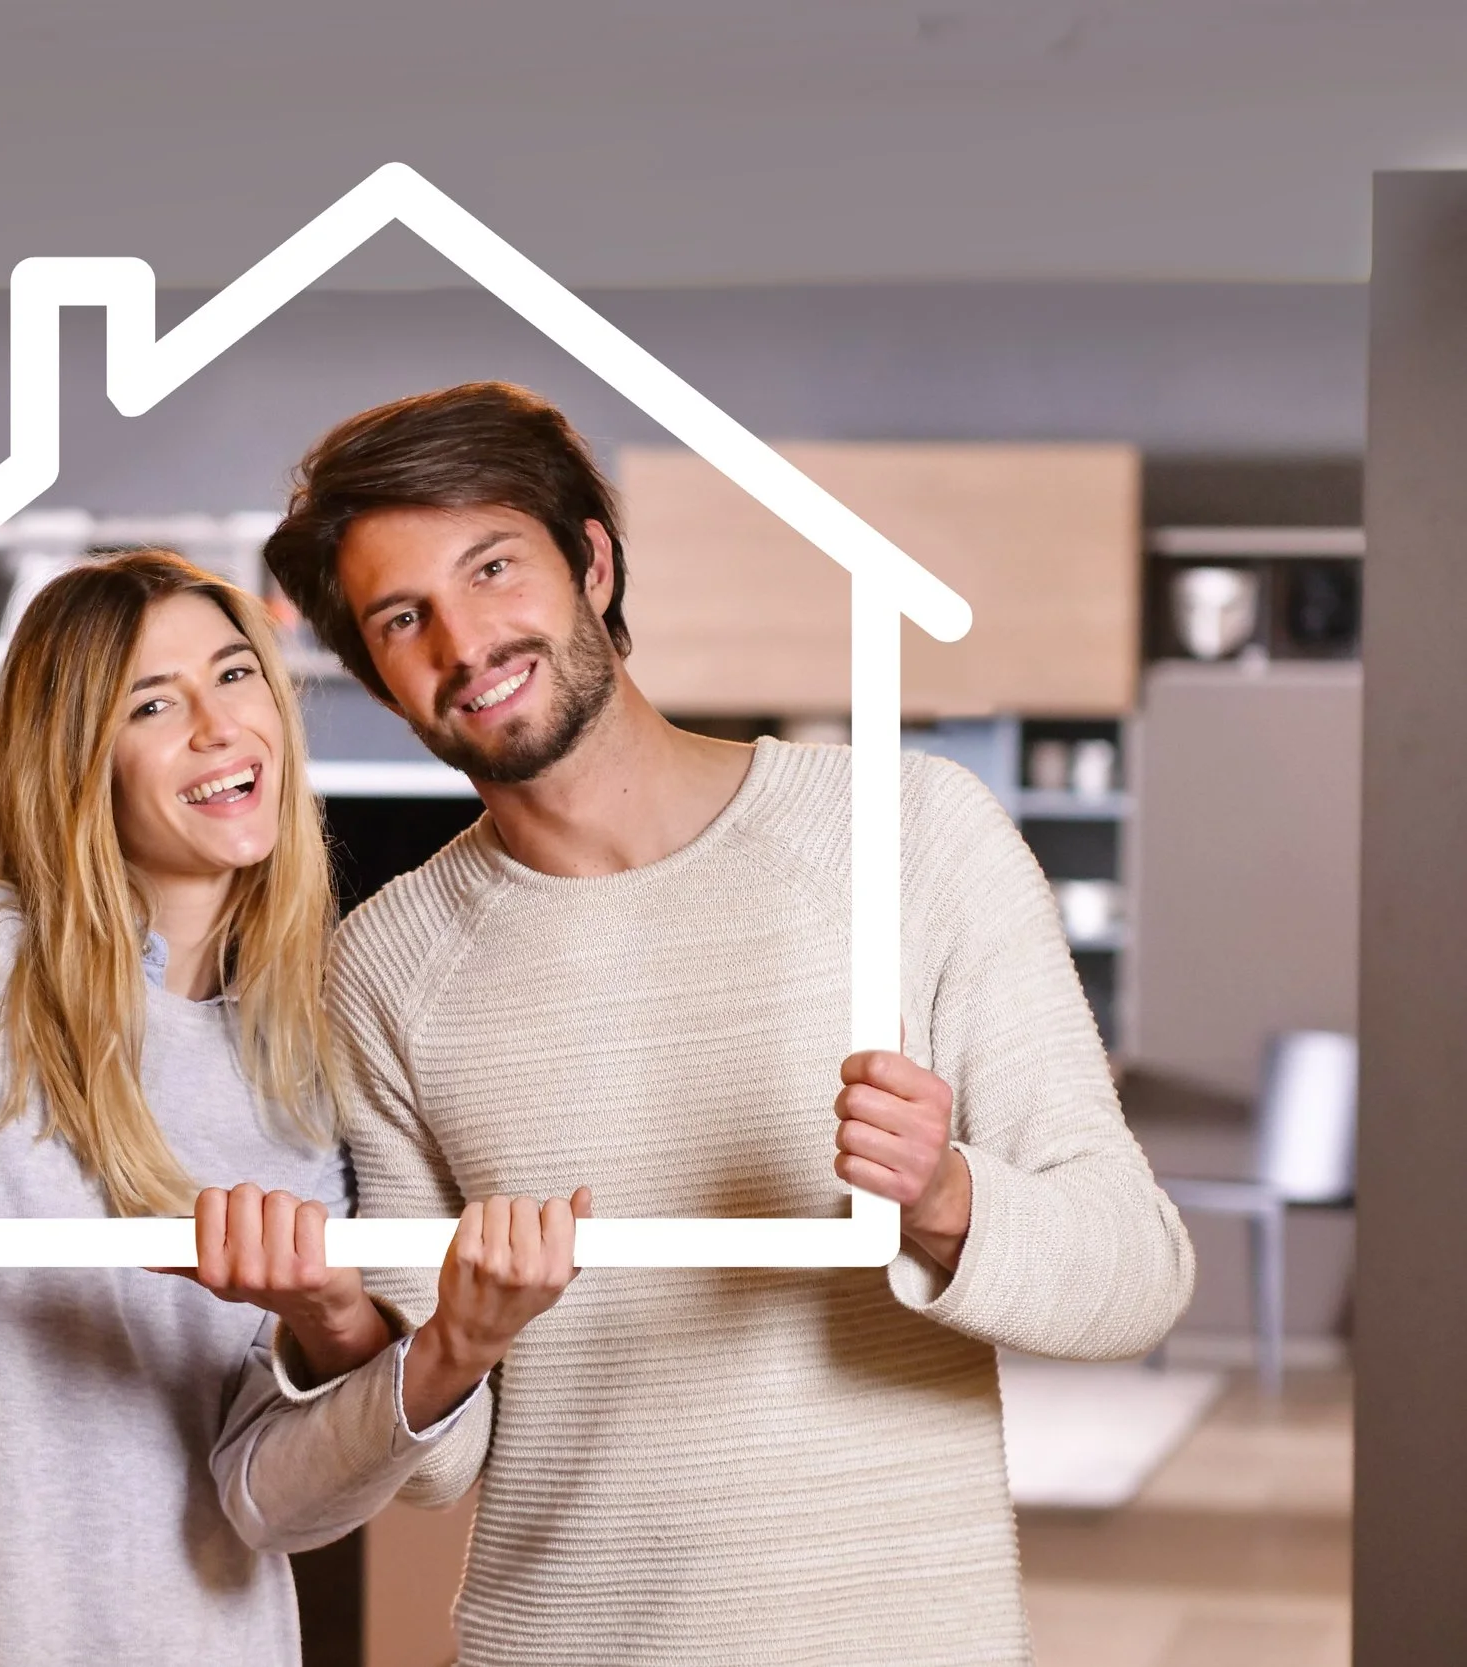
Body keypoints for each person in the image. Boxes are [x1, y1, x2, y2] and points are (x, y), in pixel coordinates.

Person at [237, 382, 1197, 1664]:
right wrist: (380, 1326)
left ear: (591, 562)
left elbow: (1138, 1276)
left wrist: (944, 1195)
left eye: (493, 566)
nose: (464, 641)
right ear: (378, 675)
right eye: (402, 617)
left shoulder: (911, 833)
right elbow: (436, 1463)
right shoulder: (381, 969)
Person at [0, 548, 574, 1667]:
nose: (220, 728)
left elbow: (275, 1502)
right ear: (77, 755)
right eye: (154, 704)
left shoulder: (312, 1053)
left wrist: (373, 1329)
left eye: (235, 675)